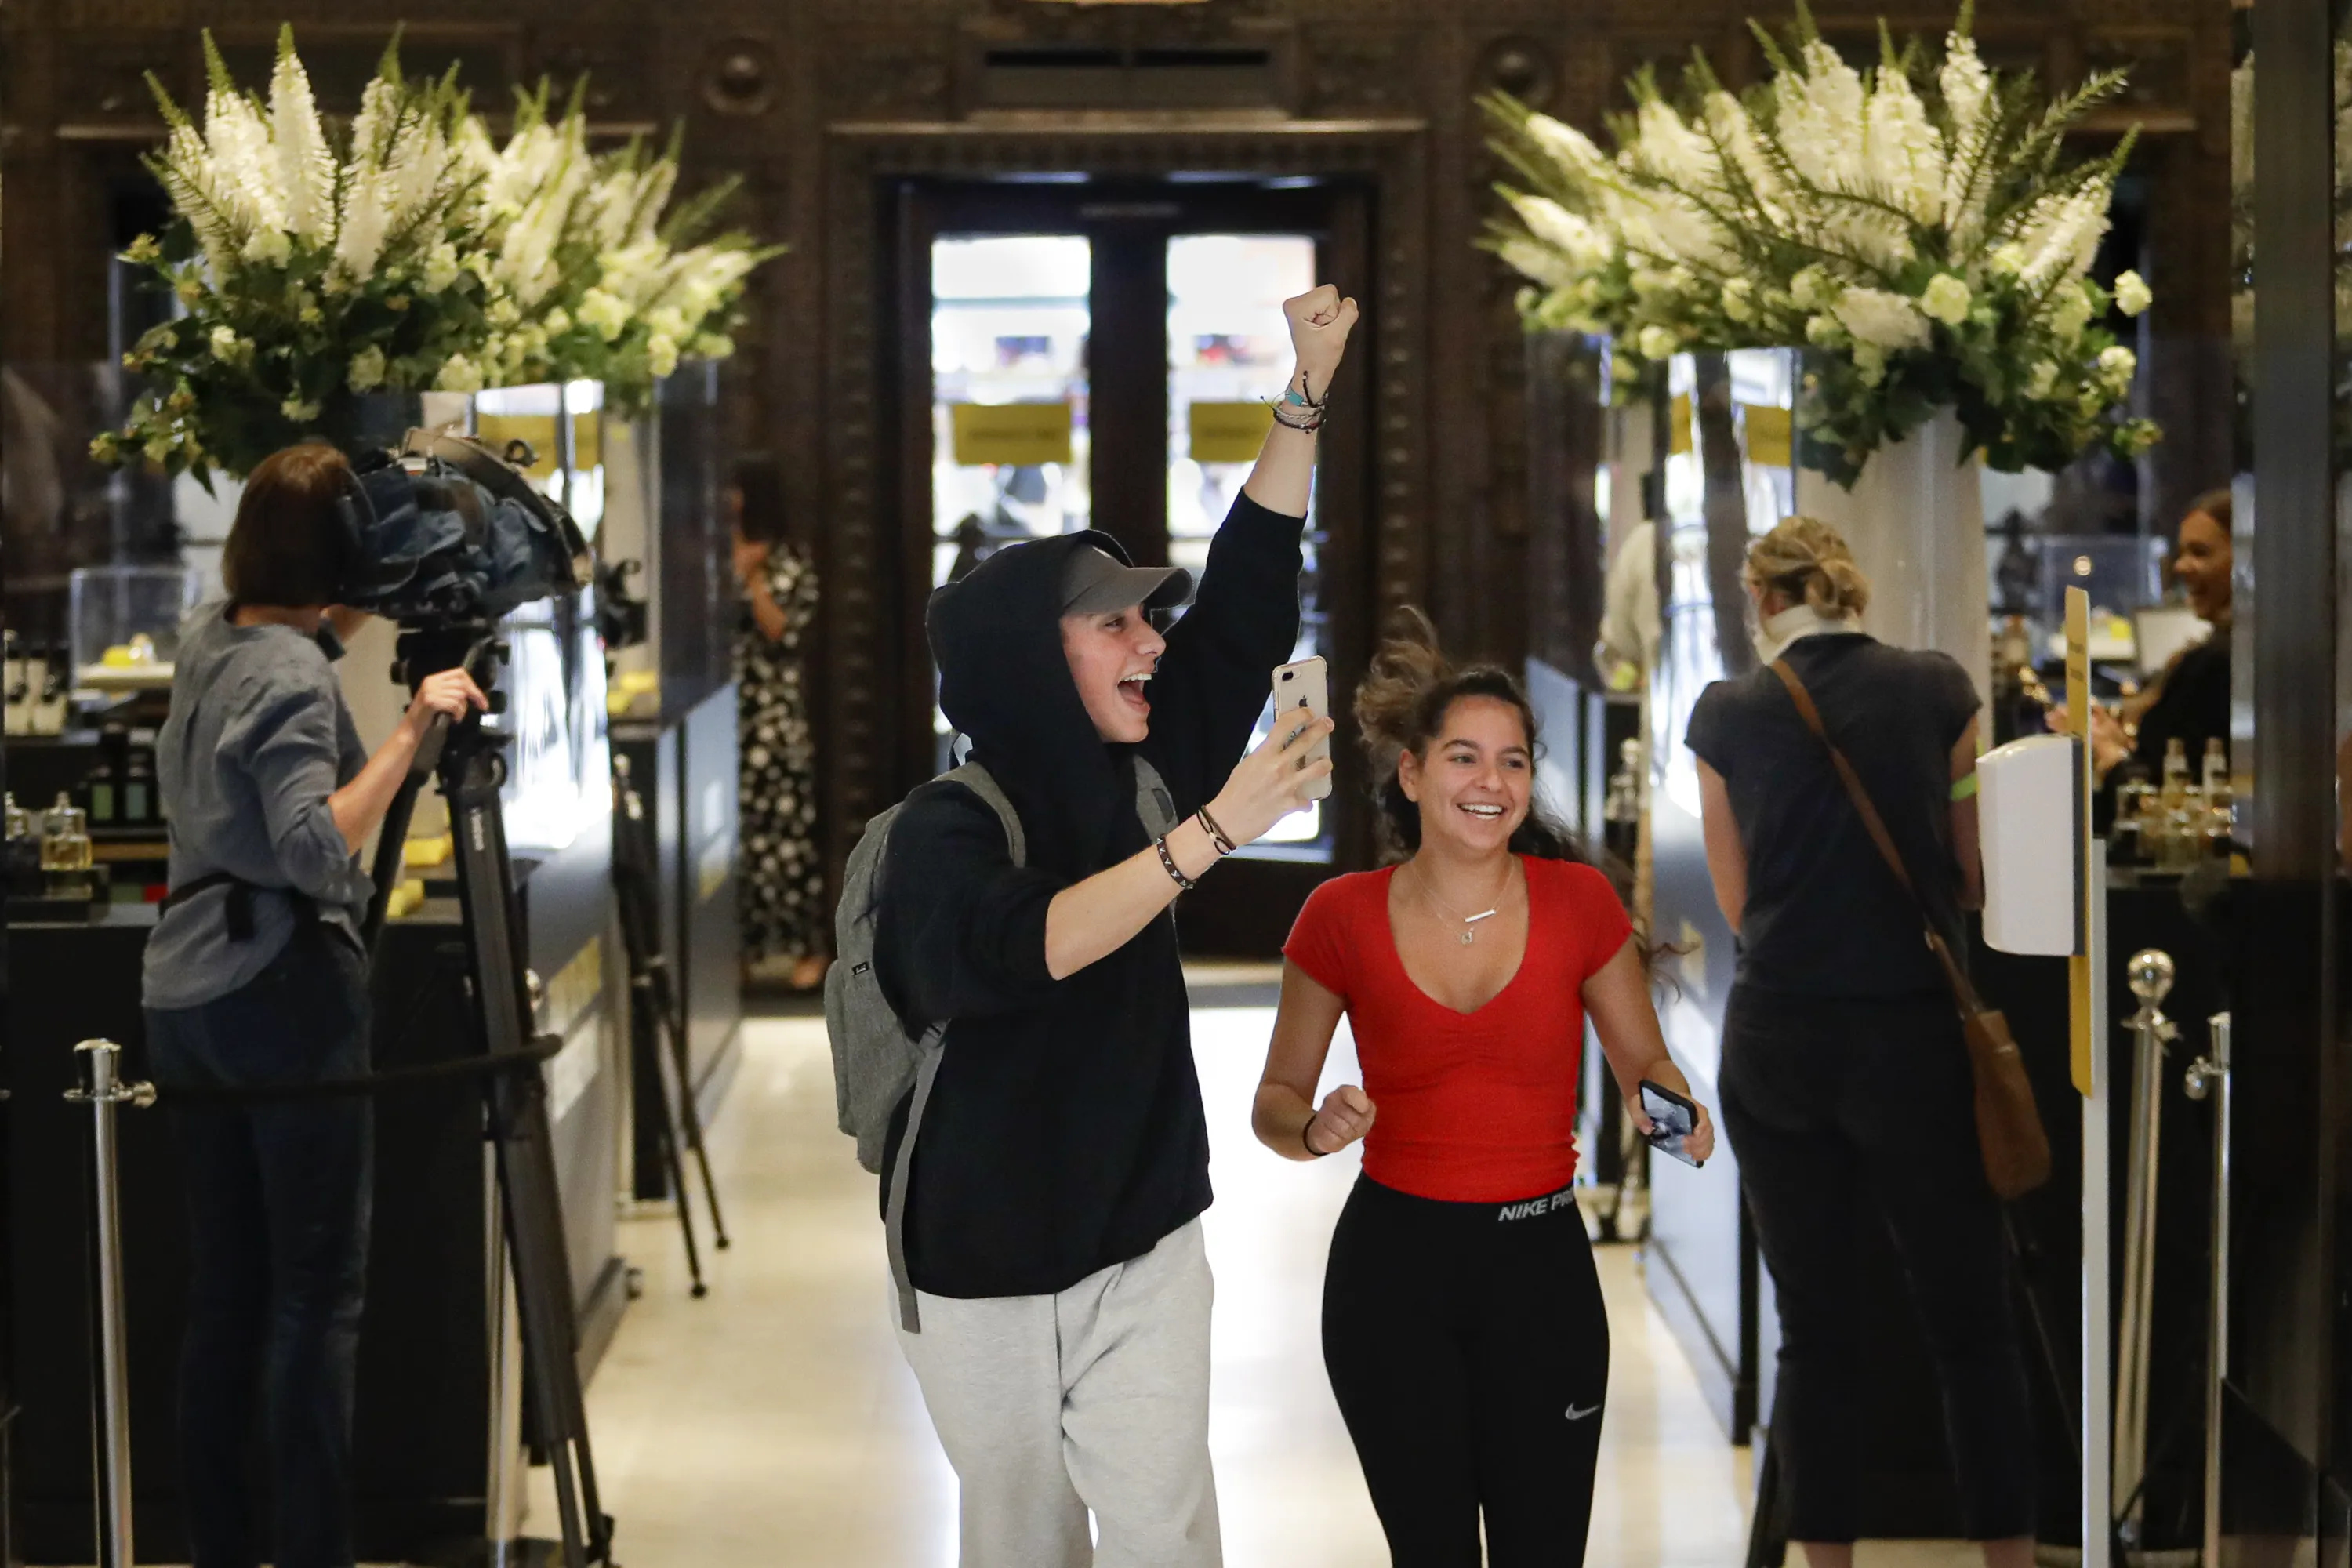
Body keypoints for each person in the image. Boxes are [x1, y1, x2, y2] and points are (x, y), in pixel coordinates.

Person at [874, 283, 1356, 1568]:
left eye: (1150, 619)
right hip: (979, 1248)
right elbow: (1023, 948)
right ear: (1035, 660)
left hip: (1143, 1225)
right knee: (1023, 1541)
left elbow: (1249, 590)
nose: (1154, 641)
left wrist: (1306, 388)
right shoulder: (942, 830)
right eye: (1117, 623)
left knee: (1161, 1529)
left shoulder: (1151, 760)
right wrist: (1217, 831)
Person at [1254, 611, 1713, 1566]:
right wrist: (1315, 1125)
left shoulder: (1580, 901)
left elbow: (1645, 1061)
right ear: (1412, 774)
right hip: (1391, 1279)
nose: (1491, 782)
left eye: (1512, 761)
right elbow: (1275, 1099)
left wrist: (1672, 1111)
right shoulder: (1338, 915)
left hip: (1540, 1275)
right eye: (1464, 757)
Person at [141, 442, 485, 1568]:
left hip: (186, 988)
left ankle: (224, 1546)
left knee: (228, 1290)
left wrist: (344, 619)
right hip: (280, 989)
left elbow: (265, 709)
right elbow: (309, 845)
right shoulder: (291, 673)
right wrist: (411, 726)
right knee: (313, 1296)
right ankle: (312, 1551)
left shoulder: (212, 634)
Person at [1688, 517, 2034, 1568]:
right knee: (1971, 1321)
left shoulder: (1725, 714)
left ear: (1762, 599)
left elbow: (1738, 907)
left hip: (1779, 1041)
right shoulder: (1939, 690)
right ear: (1846, 588)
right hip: (1913, 1039)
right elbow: (1970, 880)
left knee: (1817, 1326)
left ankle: (1825, 1560)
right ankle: (2009, 1559)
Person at [2050, 489, 2233, 811]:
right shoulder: (2212, 655)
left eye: (2200, 553)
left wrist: (2105, 752)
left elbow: (2161, 802)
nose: (2181, 566)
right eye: (2181, 553)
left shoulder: (2214, 664)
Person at [729, 452, 827, 990]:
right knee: (734, 838)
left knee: (786, 836)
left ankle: (805, 946)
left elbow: (782, 630)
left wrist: (753, 580)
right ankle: (739, 951)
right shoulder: (713, 550)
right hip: (729, 711)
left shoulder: (788, 559)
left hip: (774, 714)